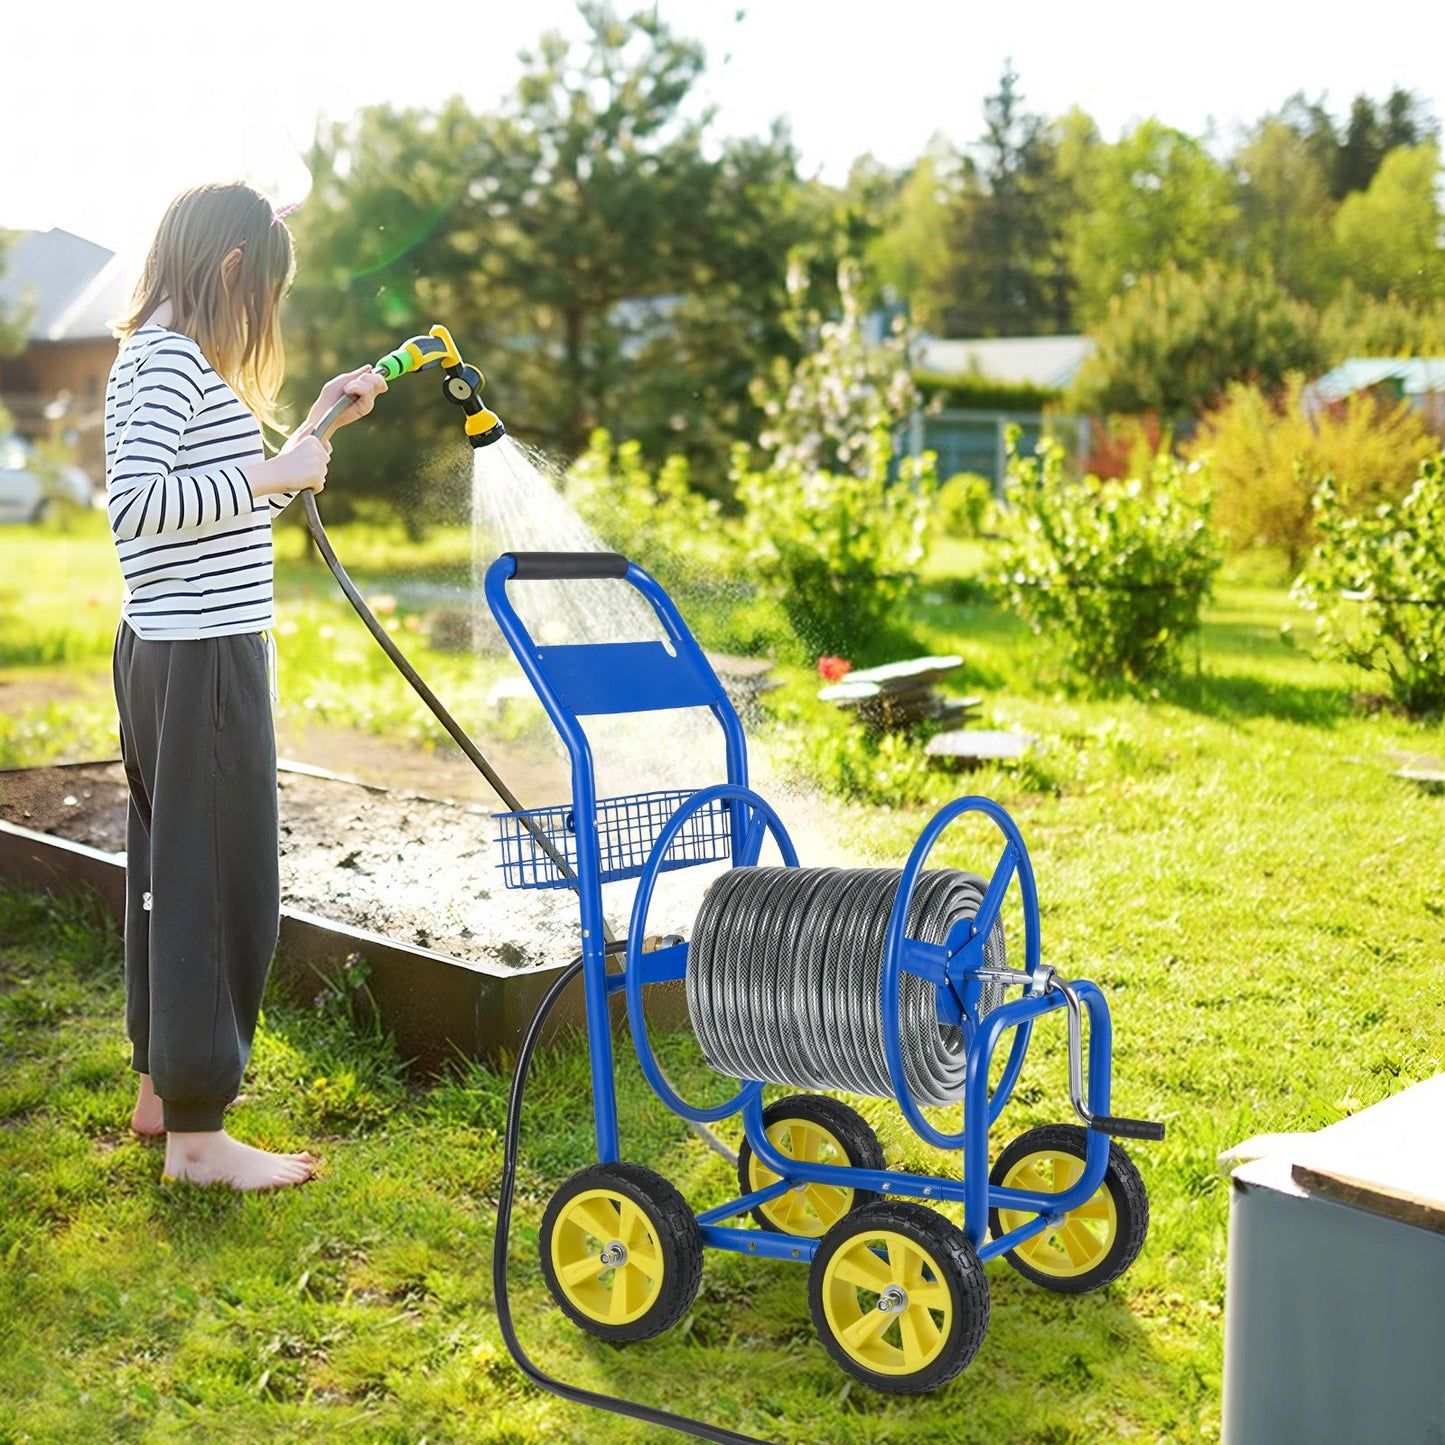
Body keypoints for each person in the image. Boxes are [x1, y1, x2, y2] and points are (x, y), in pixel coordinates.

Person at [105, 180, 386, 1189]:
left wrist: (309, 434)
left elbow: (205, 517)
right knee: (218, 885)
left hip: (175, 647)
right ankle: (197, 1139)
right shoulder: (170, 363)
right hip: (201, 658)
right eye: (261, 292)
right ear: (231, 270)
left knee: (168, 869)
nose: (260, 316)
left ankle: (161, 1091)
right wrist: (276, 475)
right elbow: (137, 507)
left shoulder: (158, 361)